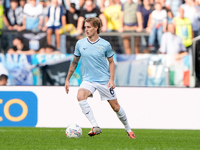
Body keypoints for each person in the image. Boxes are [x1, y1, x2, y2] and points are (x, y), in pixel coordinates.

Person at [64, 17, 136, 139]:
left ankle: (128, 129)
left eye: (89, 27)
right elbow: (75, 62)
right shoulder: (80, 44)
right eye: (85, 27)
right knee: (80, 96)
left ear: (96, 27)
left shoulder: (105, 44)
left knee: (116, 107)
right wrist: (67, 79)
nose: (86, 30)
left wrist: (112, 79)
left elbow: (111, 62)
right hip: (88, 80)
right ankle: (95, 125)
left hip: (103, 80)